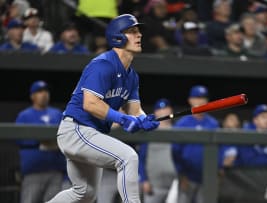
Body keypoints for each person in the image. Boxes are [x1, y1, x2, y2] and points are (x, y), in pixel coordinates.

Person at [46, 14, 160, 203]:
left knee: (84, 193)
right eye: (132, 31)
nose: (139, 35)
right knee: (128, 157)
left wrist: (144, 119)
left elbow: (134, 110)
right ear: (118, 37)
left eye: (138, 31)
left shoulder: (132, 76)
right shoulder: (103, 64)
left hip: (90, 132)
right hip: (76, 129)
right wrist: (122, 119)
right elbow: (90, 103)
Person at [16, 81, 66, 203]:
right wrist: (40, 142)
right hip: (33, 171)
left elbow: (66, 136)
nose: (44, 94)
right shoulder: (24, 115)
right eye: (39, 91)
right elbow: (18, 139)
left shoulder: (57, 113)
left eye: (45, 91)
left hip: (56, 170)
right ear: (32, 96)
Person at [172, 85, 219, 203]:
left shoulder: (213, 123)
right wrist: (181, 174)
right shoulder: (182, 123)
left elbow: (220, 149)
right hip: (187, 177)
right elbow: (175, 151)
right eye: (197, 97)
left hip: (207, 177)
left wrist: (219, 169)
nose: (200, 101)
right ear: (190, 100)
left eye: (203, 98)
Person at [139, 98, 177, 203]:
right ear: (155, 112)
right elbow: (141, 158)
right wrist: (144, 180)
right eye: (160, 109)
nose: (163, 111)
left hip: (175, 185)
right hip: (154, 186)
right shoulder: (149, 132)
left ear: (171, 110)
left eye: (166, 108)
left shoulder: (178, 130)